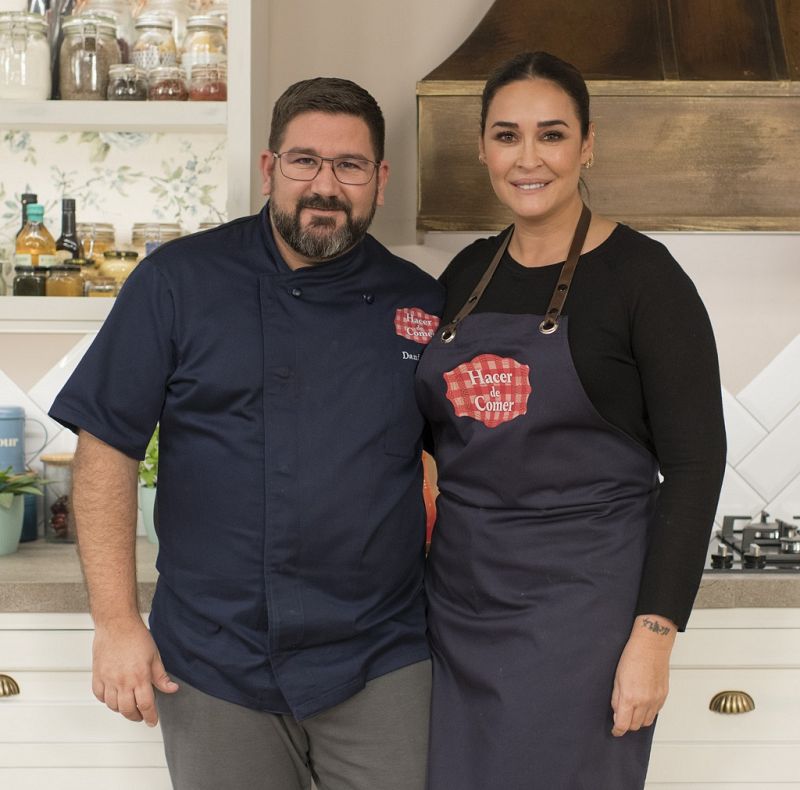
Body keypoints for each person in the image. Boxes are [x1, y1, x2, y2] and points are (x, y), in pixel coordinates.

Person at [49, 77, 444, 790]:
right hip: (215, 659)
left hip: (382, 657)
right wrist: (115, 624)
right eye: (304, 161)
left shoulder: (421, 302)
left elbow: (460, 465)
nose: (325, 185)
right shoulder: (176, 282)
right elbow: (105, 450)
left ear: (380, 180)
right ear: (269, 169)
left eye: (350, 165)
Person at [415, 51, 726, 790]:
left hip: (582, 620)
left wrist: (654, 637)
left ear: (587, 145)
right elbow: (428, 441)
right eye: (506, 135)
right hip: (457, 608)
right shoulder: (464, 275)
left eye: (551, 135)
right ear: (483, 147)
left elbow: (695, 464)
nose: (528, 158)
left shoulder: (645, 279)